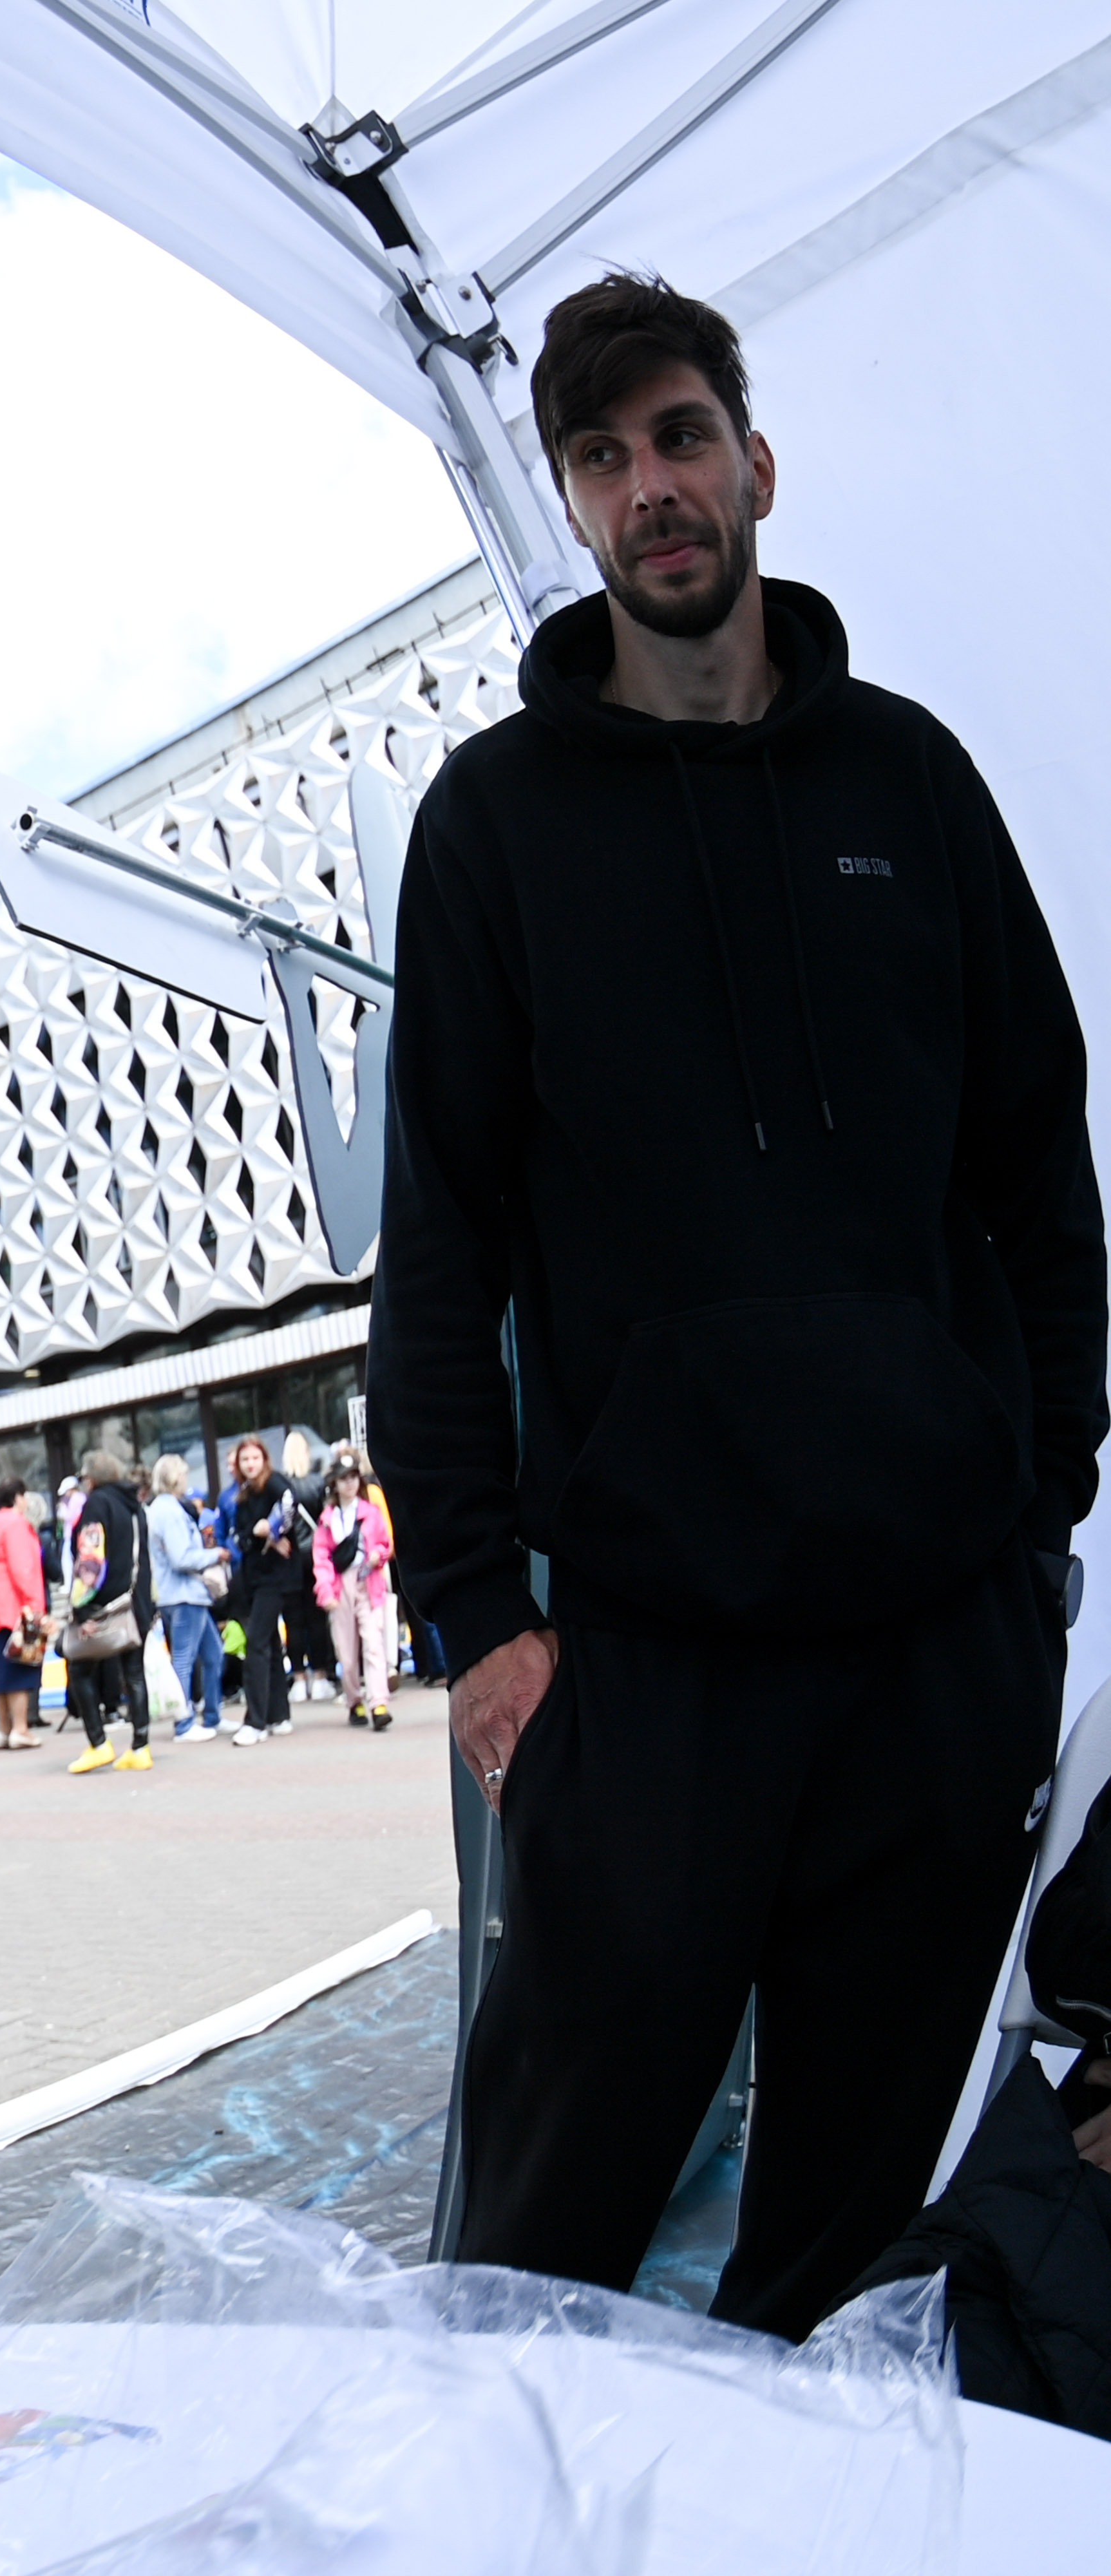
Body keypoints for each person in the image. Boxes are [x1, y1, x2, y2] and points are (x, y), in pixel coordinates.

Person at [372, 275, 1104, 2338]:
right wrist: (478, 1617)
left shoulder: (911, 781)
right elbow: (439, 1249)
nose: (650, 489)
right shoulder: (494, 824)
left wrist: (1034, 1508)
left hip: (932, 1652)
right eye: (601, 458)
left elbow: (1039, 1170)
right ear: (571, 504)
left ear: (753, 463)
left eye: (679, 437)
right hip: (646, 1669)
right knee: (536, 2248)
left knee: (852, 2267)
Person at [61, 1449, 151, 1773]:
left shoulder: (97, 1504)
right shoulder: (135, 1505)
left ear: (91, 1478)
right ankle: (141, 1747)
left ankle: (99, 1743)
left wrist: (81, 1610)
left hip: (103, 1604)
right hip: (135, 1602)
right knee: (134, 1675)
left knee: (80, 1670)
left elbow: (91, 1561)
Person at [215, 1435, 306, 1747]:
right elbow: (241, 1537)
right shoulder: (242, 1494)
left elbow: (290, 1502)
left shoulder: (275, 1483)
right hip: (253, 1577)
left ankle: (255, 1721)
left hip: (275, 1579)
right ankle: (278, 1715)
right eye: (245, 1459)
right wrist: (259, 1536)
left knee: (256, 1642)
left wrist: (275, 1530)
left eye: (255, 1458)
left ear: (264, 1459)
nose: (250, 1464)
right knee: (268, 1642)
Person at [146, 1455, 229, 1742]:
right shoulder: (170, 1511)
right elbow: (182, 1558)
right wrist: (215, 1555)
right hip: (184, 1595)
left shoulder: (158, 1509)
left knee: (213, 1654)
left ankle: (212, 1716)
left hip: (176, 1594)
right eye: (183, 1474)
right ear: (175, 1478)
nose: (186, 1479)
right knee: (185, 1658)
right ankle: (184, 1723)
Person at [312, 1459, 397, 1732]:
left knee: (374, 1644)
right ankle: (354, 1700)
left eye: (353, 1477)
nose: (349, 1483)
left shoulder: (370, 1512)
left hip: (369, 1581)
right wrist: (326, 1591)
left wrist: (378, 1555)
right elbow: (322, 1558)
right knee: (347, 1654)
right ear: (335, 1484)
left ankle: (379, 1703)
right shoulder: (328, 1519)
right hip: (341, 1586)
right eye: (344, 1478)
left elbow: (384, 1544)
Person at [0, 1479, 48, 1752]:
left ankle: (4, 1729)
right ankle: (20, 1728)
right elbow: (22, 1567)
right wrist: (35, 1605)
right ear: (18, 1497)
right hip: (15, 1606)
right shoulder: (17, 1524)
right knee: (19, 1671)